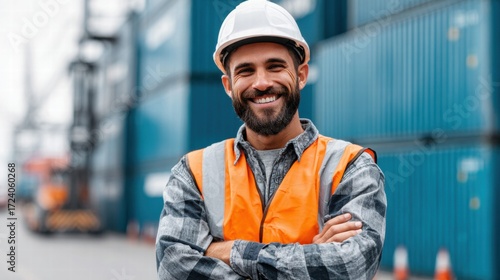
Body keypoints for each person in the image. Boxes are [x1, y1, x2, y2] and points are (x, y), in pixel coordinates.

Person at [156, 0, 386, 279]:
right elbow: (173, 265)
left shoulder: (350, 167)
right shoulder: (194, 172)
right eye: (245, 71)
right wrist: (307, 258)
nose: (261, 82)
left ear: (301, 75)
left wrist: (224, 251)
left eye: (275, 66)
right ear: (228, 85)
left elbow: (351, 266)